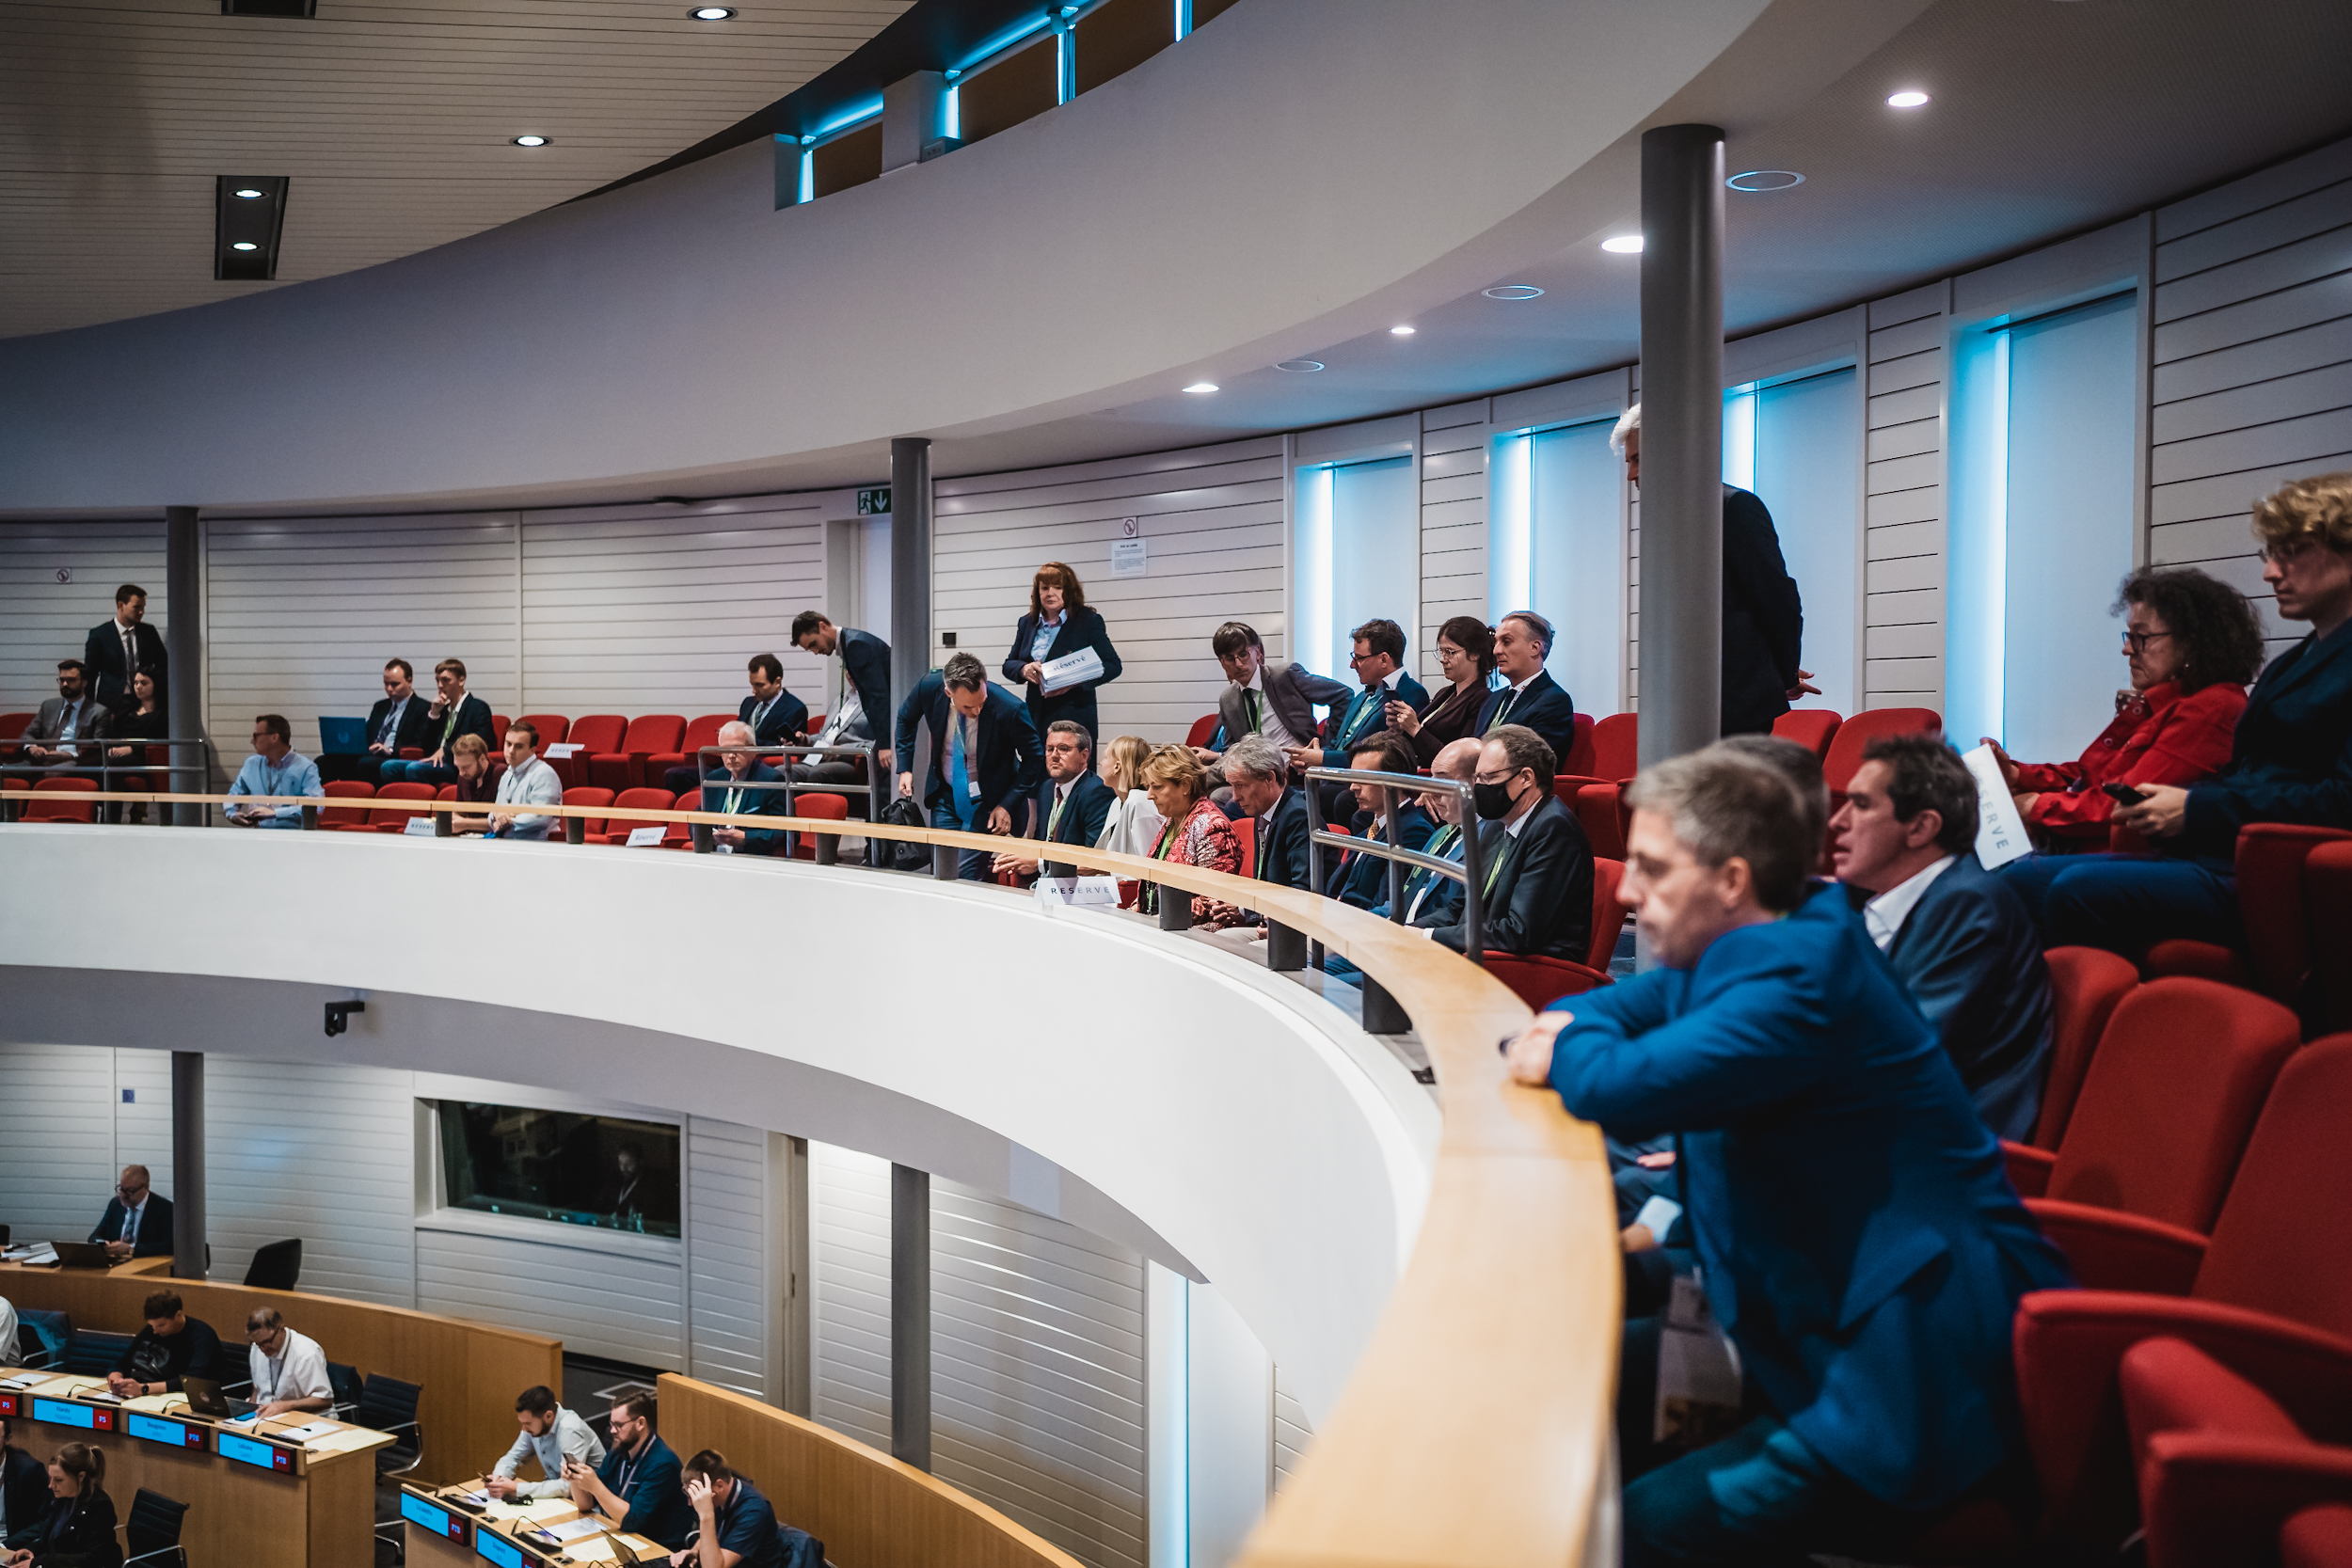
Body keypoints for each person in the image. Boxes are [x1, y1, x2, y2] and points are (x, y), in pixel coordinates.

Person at [1502, 745, 2070, 1564]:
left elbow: (1616, 1081)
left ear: (1731, 880)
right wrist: (1577, 1032)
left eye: (1653, 869)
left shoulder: (1800, 977)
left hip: (1902, 1371)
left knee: (1648, 1522)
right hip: (1791, 1310)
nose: (1626, 891)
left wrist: (1561, 1048)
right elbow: (1612, 1005)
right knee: (1566, 1383)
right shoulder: (1764, 939)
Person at [2001, 473, 2352, 955]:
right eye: (2269, 554)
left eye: (2291, 550)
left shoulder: (2222, 701)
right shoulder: (2298, 659)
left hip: (2277, 873)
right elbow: (2245, 775)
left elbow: (2340, 800)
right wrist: (2178, 800)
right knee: (2021, 879)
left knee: (2057, 886)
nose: (2271, 571)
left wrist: (2192, 808)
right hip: (2226, 853)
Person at [1832, 735, 2054, 1142]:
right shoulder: (1901, 902)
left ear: (1920, 827)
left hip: (1929, 1150)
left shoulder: (1968, 906)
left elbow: (1893, 1055)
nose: (1837, 821)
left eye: (1861, 805)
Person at [1983, 564, 2262, 851]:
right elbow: (2092, 776)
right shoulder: (2164, 701)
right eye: (2128, 636)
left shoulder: (2210, 710)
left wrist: (2034, 807)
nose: (2127, 649)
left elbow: (2125, 801)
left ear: (2192, 642)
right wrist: (2020, 776)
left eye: (2141, 637)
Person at [1612, 403, 1814, 735]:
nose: (1631, 474)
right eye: (1629, 462)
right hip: (1678, 704)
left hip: (1734, 704)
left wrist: (1785, 672)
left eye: (1638, 460)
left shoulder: (1735, 509)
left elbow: (1777, 600)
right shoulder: (1662, 523)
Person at [1422, 724, 1592, 959]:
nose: (1479, 787)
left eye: (1489, 777)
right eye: (1477, 778)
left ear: (1525, 777)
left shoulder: (1553, 829)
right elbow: (1459, 909)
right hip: (1476, 954)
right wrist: (1404, 929)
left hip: (1528, 972)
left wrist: (1429, 937)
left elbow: (1519, 932)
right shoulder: (1495, 825)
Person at [894, 653, 1044, 880]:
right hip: (945, 795)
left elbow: (1034, 758)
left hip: (987, 802)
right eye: (968, 707)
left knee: (964, 875)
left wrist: (1007, 804)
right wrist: (905, 767)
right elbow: (905, 718)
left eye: (981, 703)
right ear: (948, 693)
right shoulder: (929, 687)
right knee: (943, 871)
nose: (976, 712)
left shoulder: (1010, 708)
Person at [1191, 622, 1350, 786]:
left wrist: (1327, 748)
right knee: (1215, 794)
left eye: (1243, 654)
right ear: (1222, 663)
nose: (1238, 664)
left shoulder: (1285, 676)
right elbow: (1233, 750)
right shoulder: (1228, 698)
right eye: (1230, 659)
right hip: (1257, 778)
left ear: (1257, 652)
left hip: (1297, 773)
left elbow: (1343, 695)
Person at [1002, 562, 1123, 742]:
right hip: (1036, 715)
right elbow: (1009, 664)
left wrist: (1074, 681)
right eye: (1044, 588)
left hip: (1074, 715)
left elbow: (1113, 665)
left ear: (1069, 591)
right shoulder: (1027, 622)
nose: (1050, 593)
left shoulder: (1088, 621)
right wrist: (1024, 669)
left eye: (1057, 587)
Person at [564, 1392, 694, 1551]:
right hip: (623, 1536)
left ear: (640, 1423)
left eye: (618, 1425)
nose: (612, 1431)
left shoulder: (663, 1464)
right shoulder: (619, 1453)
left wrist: (595, 1486)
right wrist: (576, 1479)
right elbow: (586, 1505)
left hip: (656, 1549)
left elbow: (632, 1521)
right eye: (611, 1424)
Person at [661, 656, 808, 795]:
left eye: (759, 685)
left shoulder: (795, 709)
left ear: (777, 682)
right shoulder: (748, 703)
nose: (754, 690)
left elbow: (787, 748)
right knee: (674, 775)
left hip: (760, 768)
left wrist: (744, 741)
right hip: (730, 766)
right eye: (752, 684)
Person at [993, 721, 1116, 881]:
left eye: (1063, 749)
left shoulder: (1096, 792)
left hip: (1078, 887)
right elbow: (1040, 841)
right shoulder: (1047, 788)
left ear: (1084, 756)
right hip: (1045, 883)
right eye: (1050, 749)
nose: (1054, 755)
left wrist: (1039, 863)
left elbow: (1092, 858)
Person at [1325, 733, 1436, 910]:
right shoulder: (1368, 829)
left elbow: (1387, 905)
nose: (1353, 786)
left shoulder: (1414, 832)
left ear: (1396, 779)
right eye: (1353, 778)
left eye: (1364, 778)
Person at [1136, 746, 1241, 922]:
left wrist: (1158, 918)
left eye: (1157, 787)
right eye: (1149, 787)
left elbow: (1213, 900)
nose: (1149, 795)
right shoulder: (1171, 820)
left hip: (1192, 931)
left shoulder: (1212, 827)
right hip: (1162, 922)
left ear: (1185, 785)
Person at [790, 613, 892, 773]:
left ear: (823, 626)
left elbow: (877, 696)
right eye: (810, 649)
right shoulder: (851, 642)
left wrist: (886, 744)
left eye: (814, 644)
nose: (815, 652)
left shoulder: (856, 645)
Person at [1389, 616, 1496, 767]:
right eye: (1441, 652)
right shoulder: (1445, 693)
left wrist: (1414, 728)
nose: (1443, 659)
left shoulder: (1482, 699)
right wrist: (1401, 728)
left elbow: (1459, 761)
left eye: (1450, 652)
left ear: (1475, 654)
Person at [1471, 612, 1579, 762]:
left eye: (1506, 642)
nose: (1496, 650)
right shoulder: (1493, 698)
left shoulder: (1555, 701)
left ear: (1535, 648)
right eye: (1496, 642)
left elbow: (1532, 760)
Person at [378, 658, 494, 786]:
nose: (439, 685)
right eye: (437, 680)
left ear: (461, 680)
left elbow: (481, 741)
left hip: (457, 764)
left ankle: (425, 805)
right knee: (388, 767)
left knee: (414, 769)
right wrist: (434, 714)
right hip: (435, 761)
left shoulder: (477, 707)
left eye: (445, 680)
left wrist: (446, 750)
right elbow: (426, 745)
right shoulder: (443, 710)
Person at [0, 1444, 119, 1568]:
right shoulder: (61, 1498)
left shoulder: (100, 1506)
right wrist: (31, 1550)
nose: (51, 1485)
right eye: (50, 1478)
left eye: (58, 1480)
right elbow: (50, 1538)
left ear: (81, 1477)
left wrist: (40, 1562)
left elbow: (90, 1558)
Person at [325, 658, 433, 784]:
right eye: (386, 684)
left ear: (409, 681)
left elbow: (420, 743)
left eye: (394, 684)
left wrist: (389, 750)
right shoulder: (380, 706)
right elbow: (368, 734)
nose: (389, 689)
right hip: (371, 753)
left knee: (366, 764)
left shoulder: (422, 708)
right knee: (324, 761)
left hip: (393, 756)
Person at [488, 1385, 605, 1500]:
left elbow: (568, 1485)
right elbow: (513, 1457)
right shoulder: (534, 1428)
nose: (523, 1429)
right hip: (559, 1497)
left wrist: (516, 1488)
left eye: (528, 1424)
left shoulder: (570, 1430)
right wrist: (499, 1478)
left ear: (548, 1416)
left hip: (591, 1501)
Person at [672, 1450, 784, 1568]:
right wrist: (694, 1551)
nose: (690, 1503)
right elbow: (713, 1534)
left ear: (719, 1486)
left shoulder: (754, 1512)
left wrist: (706, 1516)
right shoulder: (722, 1494)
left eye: (694, 1495)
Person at [699, 722, 788, 856]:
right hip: (714, 854)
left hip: (750, 857)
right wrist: (705, 835)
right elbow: (697, 817)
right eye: (725, 749)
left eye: (736, 748)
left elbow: (787, 832)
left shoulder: (771, 780)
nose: (731, 755)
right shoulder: (714, 778)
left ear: (753, 751)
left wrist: (746, 838)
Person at [105, 1292, 219, 1398]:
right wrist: (115, 1377)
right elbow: (124, 1360)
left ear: (178, 1315)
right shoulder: (152, 1330)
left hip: (177, 1396)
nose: (155, 1331)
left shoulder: (202, 1335)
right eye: (152, 1326)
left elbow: (192, 1380)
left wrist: (144, 1389)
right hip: (144, 1393)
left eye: (161, 1325)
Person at [223, 714, 324, 828]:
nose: (252, 741)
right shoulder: (251, 764)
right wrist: (232, 814)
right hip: (257, 835)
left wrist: (275, 814)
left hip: (290, 837)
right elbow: (233, 795)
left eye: (256, 735)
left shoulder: (306, 768)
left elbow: (317, 805)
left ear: (274, 738)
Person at [82, 584, 166, 716]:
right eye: (137, 607)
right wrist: (89, 711)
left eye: (143, 607)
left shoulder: (148, 632)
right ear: (121, 605)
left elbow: (164, 667)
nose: (141, 612)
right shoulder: (100, 635)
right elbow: (90, 676)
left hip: (144, 704)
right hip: (111, 706)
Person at [13, 663, 105, 779]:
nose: (65, 684)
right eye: (62, 680)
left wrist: (69, 756)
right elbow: (28, 734)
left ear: (84, 683)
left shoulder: (98, 711)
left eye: (71, 680)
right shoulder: (49, 706)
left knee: (51, 775)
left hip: (73, 761)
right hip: (42, 759)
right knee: (5, 770)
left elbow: (96, 748)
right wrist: (32, 747)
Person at [97, 669, 167, 820]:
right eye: (135, 683)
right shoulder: (127, 708)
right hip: (119, 754)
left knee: (110, 766)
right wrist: (113, 748)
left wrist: (131, 748)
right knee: (92, 764)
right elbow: (112, 733)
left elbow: (160, 740)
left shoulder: (163, 713)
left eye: (144, 683)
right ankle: (109, 816)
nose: (138, 687)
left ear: (155, 685)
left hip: (144, 757)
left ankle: (110, 819)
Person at [244, 1307, 333, 1418]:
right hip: (265, 1417)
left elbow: (325, 1400)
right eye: (258, 1344)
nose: (263, 1349)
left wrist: (286, 1406)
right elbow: (257, 1390)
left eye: (267, 1342)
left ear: (281, 1328)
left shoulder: (307, 1353)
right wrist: (246, 1412)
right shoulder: (256, 1349)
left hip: (304, 1419)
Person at [1092, 735, 1166, 859]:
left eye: (1105, 758)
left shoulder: (1141, 802)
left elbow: (1148, 861)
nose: (1101, 763)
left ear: (1117, 767)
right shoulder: (1117, 801)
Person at [88, 1167, 171, 1260]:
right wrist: (102, 1244)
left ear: (146, 1187)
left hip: (144, 1265)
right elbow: (94, 1236)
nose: (124, 1195)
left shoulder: (164, 1208)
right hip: (114, 1264)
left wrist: (131, 1248)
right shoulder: (115, 1204)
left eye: (130, 1191)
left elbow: (168, 1246)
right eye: (122, 1189)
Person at [0, 1418, 49, 1554]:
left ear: (8, 1439)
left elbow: (45, 1521)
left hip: (10, 1546)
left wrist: (4, 1547)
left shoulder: (29, 1471)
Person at [444, 734, 504, 833]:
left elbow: (502, 821)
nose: (461, 773)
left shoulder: (501, 774)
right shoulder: (463, 776)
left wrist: (465, 824)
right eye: (458, 767)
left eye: (466, 767)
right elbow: (459, 810)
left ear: (482, 759)